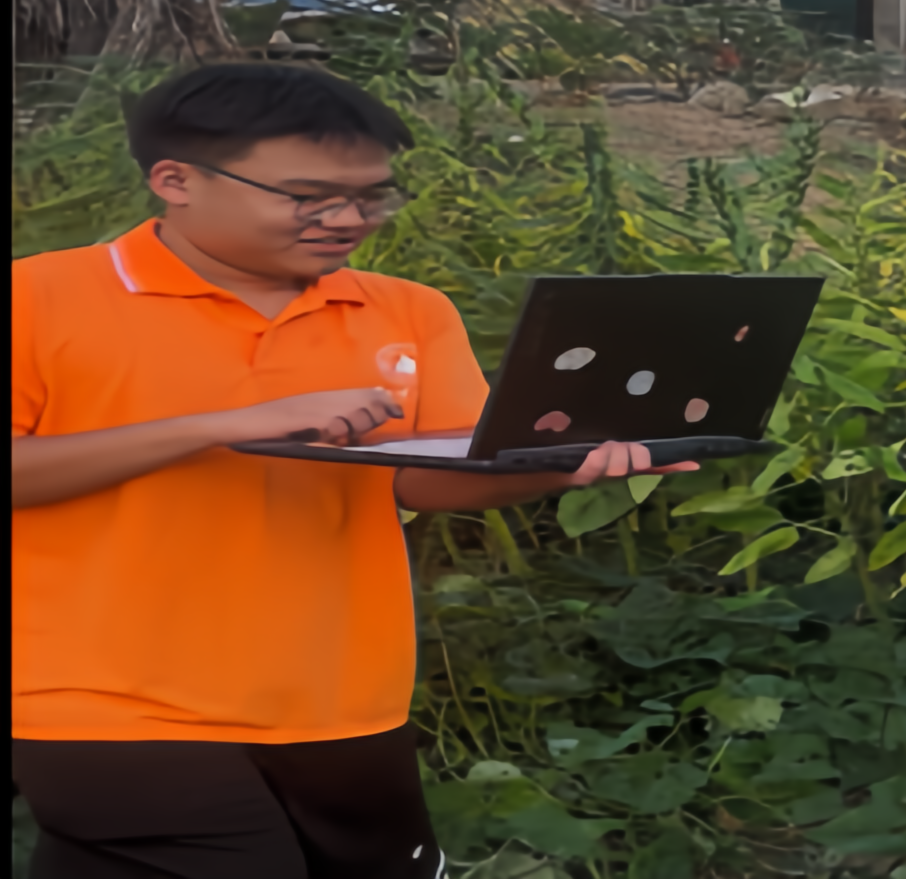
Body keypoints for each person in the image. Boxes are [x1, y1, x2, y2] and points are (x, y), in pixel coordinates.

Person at [12, 64, 696, 877]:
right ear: (175, 180)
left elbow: (424, 480)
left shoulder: (406, 310)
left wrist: (559, 465)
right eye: (307, 197)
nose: (346, 220)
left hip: (343, 698)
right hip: (101, 700)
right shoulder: (39, 298)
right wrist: (223, 426)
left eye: (371, 197)